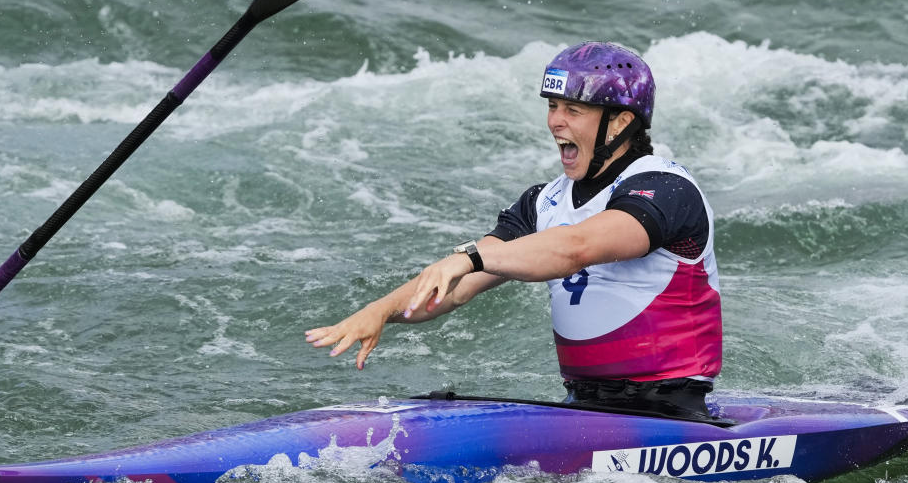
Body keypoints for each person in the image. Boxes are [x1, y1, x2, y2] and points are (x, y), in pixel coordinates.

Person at [305, 41, 723, 420]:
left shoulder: (666, 189)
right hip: (584, 408)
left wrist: (469, 256)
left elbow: (577, 247)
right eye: (552, 106)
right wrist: (382, 311)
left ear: (619, 122)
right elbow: (457, 285)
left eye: (572, 110)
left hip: (669, 414)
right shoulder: (544, 202)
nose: (554, 122)